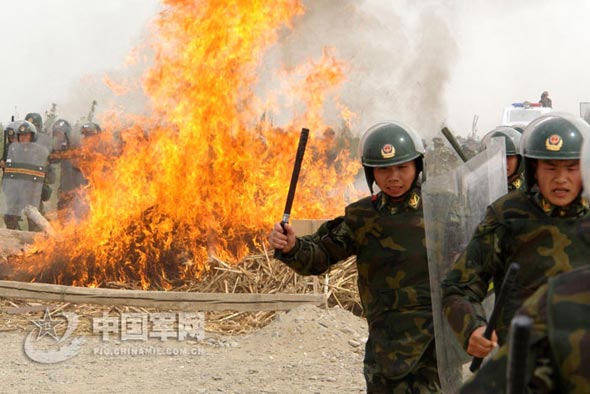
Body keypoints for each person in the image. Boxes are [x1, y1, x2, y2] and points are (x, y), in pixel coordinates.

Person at [268, 122, 440, 393]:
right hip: (386, 342)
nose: (393, 177)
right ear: (371, 172)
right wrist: (292, 247)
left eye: (402, 168)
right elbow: (321, 254)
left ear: (418, 167)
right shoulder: (362, 217)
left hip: (435, 344)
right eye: (383, 169)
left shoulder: (442, 210)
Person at [441, 112, 590, 360]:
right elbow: (459, 286)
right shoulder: (507, 217)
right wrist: (472, 328)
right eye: (550, 167)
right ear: (533, 167)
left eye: (571, 167)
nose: (561, 178)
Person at [2, 120, 51, 230]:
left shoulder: (39, 151)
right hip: (17, 190)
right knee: (10, 218)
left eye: (26, 135)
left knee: (35, 221)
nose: (23, 138)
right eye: (20, 135)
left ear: (32, 136)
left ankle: (38, 244)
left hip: (33, 191)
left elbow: (43, 171)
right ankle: (16, 240)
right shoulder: (14, 150)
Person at [480, 126, 525, 191]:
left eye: (507, 157)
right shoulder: (482, 188)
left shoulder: (526, 192)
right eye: (495, 157)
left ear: (520, 160)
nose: (502, 162)